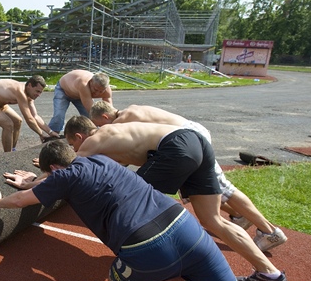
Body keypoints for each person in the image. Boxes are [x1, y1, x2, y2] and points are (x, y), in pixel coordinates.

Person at [0, 140, 311, 281]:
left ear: (52, 168)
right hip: (189, 229)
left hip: (147, 245)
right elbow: (57, 179)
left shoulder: (64, 177)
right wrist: (40, 179)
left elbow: (23, 199)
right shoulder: (101, 161)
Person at [62, 116, 290, 281]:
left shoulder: (93, 141)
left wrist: (35, 179)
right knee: (213, 220)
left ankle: (155, 258)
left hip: (175, 147)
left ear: (80, 136)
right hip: (194, 141)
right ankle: (270, 274)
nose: (74, 150)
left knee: (132, 201)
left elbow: (70, 171)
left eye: (72, 144)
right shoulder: (115, 132)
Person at [89, 101, 287, 252]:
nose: (101, 130)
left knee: (224, 187)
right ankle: (239, 216)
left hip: (186, 138)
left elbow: (126, 152)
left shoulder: (123, 121)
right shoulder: (131, 109)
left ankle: (269, 231)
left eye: (100, 125)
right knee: (196, 193)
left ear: (105, 117)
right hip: (186, 136)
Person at [0, 75, 58, 152]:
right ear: (29, 86)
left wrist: (50, 132)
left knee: (17, 121)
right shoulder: (20, 92)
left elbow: (35, 116)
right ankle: (8, 155)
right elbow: (29, 119)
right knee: (8, 124)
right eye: (37, 91)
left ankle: (12, 149)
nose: (38, 95)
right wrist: (41, 134)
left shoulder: (30, 95)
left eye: (40, 92)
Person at [47, 70, 112, 135]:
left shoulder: (106, 89)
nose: (97, 93)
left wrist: (109, 124)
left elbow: (109, 111)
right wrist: (101, 122)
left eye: (101, 91)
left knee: (89, 117)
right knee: (59, 116)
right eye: (95, 89)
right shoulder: (83, 84)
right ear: (91, 82)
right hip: (63, 90)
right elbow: (92, 110)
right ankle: (53, 136)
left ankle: (91, 136)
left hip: (79, 94)